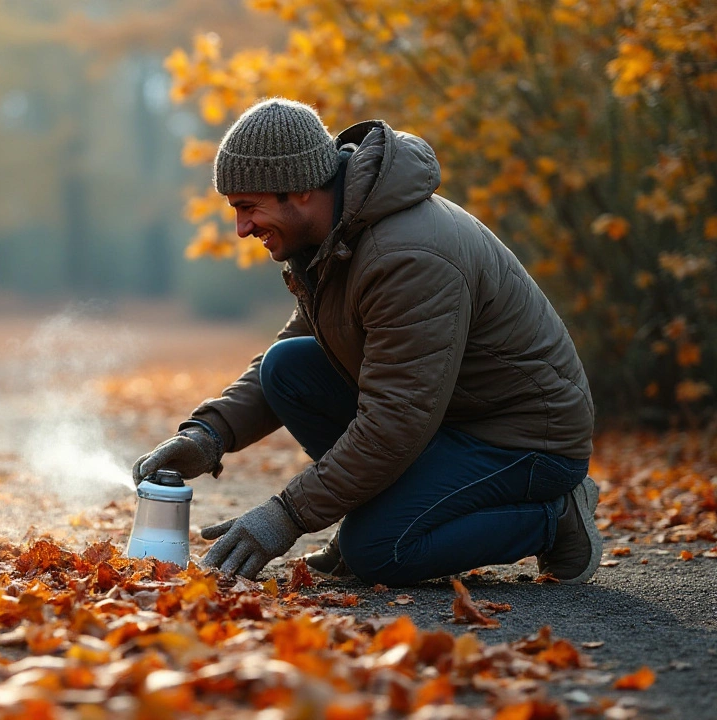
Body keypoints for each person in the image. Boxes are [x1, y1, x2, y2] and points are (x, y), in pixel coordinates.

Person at [133, 98, 598, 586]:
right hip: (449, 418)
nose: (241, 228)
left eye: (249, 207)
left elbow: (394, 421)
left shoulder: (406, 257)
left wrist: (286, 516)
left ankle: (555, 516)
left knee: (379, 550)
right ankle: (379, 511)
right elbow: (297, 347)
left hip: (524, 438)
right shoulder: (338, 237)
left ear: (301, 191)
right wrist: (209, 435)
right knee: (285, 367)